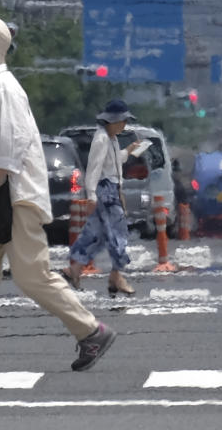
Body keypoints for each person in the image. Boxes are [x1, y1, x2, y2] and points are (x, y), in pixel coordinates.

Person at [0, 15, 116, 373]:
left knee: (31, 275)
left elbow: (17, 140)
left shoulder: (3, 88)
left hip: (15, 198)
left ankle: (91, 330)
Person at [63, 99, 141, 296]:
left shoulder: (111, 139)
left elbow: (114, 161)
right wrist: (91, 195)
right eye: (122, 121)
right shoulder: (101, 139)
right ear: (113, 120)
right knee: (118, 232)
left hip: (111, 188)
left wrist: (129, 151)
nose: (124, 125)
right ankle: (117, 275)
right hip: (105, 189)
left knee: (95, 233)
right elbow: (94, 168)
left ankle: (74, 270)